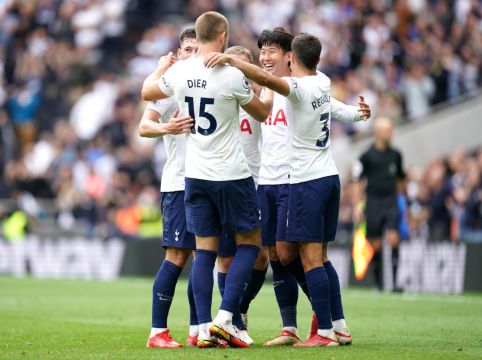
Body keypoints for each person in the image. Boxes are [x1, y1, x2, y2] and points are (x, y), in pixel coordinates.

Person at [205, 32, 371, 347]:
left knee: (301, 255)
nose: (265, 58)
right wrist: (358, 112)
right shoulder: (293, 85)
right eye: (262, 53)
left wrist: (231, 60)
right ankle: (296, 326)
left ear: (290, 56)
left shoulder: (290, 87)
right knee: (279, 255)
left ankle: (328, 322)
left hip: (297, 181)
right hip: (268, 181)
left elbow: (326, 104)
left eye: (272, 52)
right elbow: (334, 107)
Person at [142, 11, 272, 348]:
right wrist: (240, 67)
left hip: (195, 177)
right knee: (250, 243)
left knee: (204, 252)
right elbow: (262, 112)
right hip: (231, 174)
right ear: (224, 35)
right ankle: (226, 317)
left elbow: (146, 92)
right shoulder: (230, 74)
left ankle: (201, 330)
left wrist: (160, 68)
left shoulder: (180, 72)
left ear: (196, 38)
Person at [139, 28, 199, 349]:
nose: (191, 53)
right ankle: (157, 331)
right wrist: (167, 126)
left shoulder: (213, 82)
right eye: (187, 48)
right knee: (177, 256)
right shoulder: (172, 84)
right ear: (179, 51)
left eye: (196, 47)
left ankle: (197, 329)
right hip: (178, 183)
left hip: (209, 181)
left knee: (204, 257)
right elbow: (143, 126)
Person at [216, 45, 267, 346]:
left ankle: (239, 310)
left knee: (260, 257)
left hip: (257, 183)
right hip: (225, 182)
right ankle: (232, 320)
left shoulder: (260, 100)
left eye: (245, 68)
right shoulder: (219, 97)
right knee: (225, 258)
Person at [353, 117, 406, 292]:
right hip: (373, 201)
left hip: (391, 200)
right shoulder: (366, 156)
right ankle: (378, 283)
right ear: (378, 132)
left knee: (393, 238)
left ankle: (396, 283)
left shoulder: (396, 155)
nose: (391, 133)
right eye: (387, 130)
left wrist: (404, 201)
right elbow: (359, 182)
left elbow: (400, 179)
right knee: (375, 243)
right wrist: (358, 205)